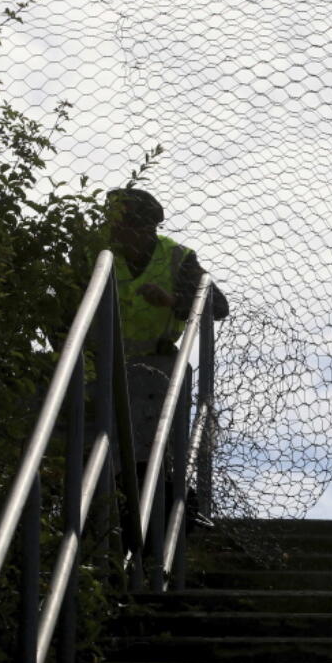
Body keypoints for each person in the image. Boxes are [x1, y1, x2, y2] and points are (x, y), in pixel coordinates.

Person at [101, 187, 228, 481]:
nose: (112, 228)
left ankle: (155, 489)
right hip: (98, 365)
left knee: (145, 454)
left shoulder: (177, 258)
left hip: (153, 369)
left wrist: (172, 301)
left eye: (121, 222)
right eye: (111, 221)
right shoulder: (91, 252)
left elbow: (218, 306)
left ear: (145, 227)